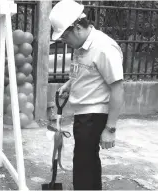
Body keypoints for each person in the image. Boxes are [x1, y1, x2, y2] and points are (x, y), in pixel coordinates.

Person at [49, 0, 125, 190]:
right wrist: (69, 83)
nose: (63, 41)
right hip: (83, 113)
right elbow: (85, 72)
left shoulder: (104, 48)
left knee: (83, 163)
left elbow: (117, 88)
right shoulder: (81, 46)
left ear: (76, 28)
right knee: (87, 161)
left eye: (64, 36)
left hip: (94, 114)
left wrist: (110, 129)